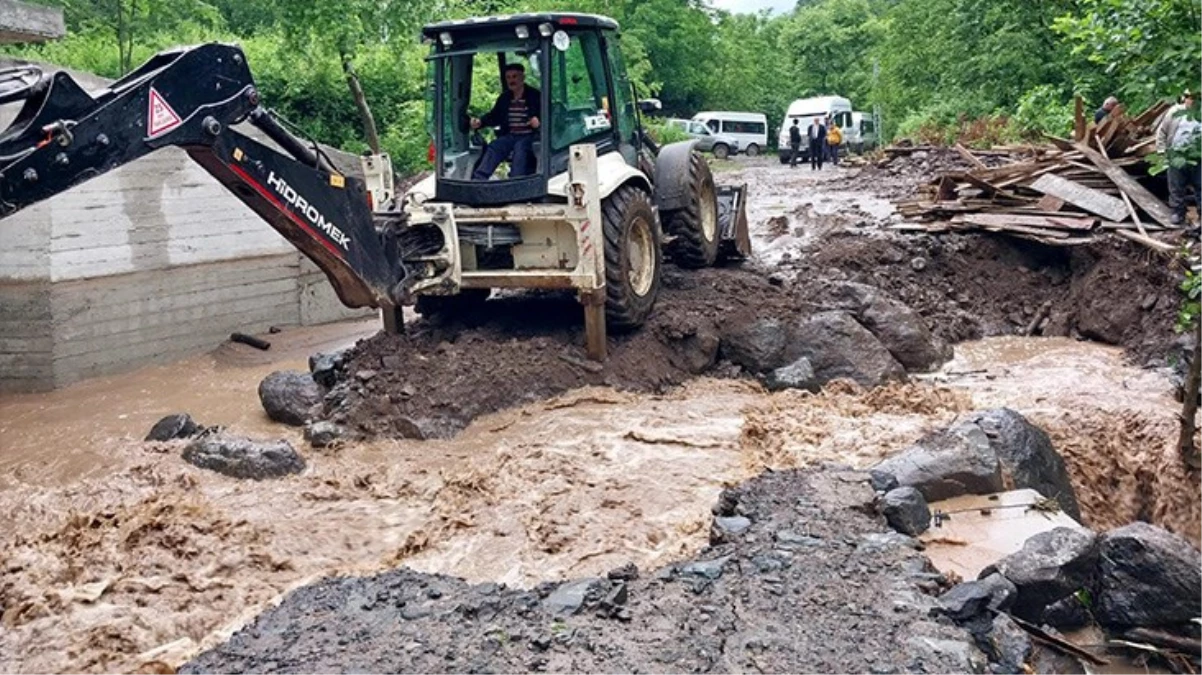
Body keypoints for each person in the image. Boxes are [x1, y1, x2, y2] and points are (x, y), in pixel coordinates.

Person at [471, 63, 541, 180]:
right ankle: (478, 179)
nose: (511, 81)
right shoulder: (505, 98)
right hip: (511, 135)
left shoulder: (535, 96)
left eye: (514, 77)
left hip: (530, 136)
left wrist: (538, 123)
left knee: (520, 148)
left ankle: (515, 181)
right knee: (495, 146)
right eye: (508, 77)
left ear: (522, 77)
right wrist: (480, 122)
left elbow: (549, 115)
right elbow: (494, 116)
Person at [1156, 90, 1202, 226]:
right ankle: (1178, 212)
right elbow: (1162, 132)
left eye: (1195, 97)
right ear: (1184, 98)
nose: (1191, 100)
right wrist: (1161, 151)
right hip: (1176, 154)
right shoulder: (1174, 112)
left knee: (1201, 186)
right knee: (1176, 186)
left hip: (1198, 156)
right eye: (1188, 97)